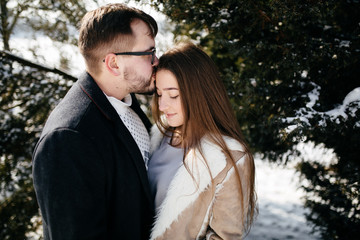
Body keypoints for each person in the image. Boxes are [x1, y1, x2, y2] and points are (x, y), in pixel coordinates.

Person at [32, 3, 158, 239]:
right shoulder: (68, 138)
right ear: (113, 63)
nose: (156, 60)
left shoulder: (125, 100)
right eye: (148, 53)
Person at [147, 42, 257, 239]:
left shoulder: (231, 157)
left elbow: (224, 236)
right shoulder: (158, 136)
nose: (162, 105)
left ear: (199, 93)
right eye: (160, 94)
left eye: (173, 95)